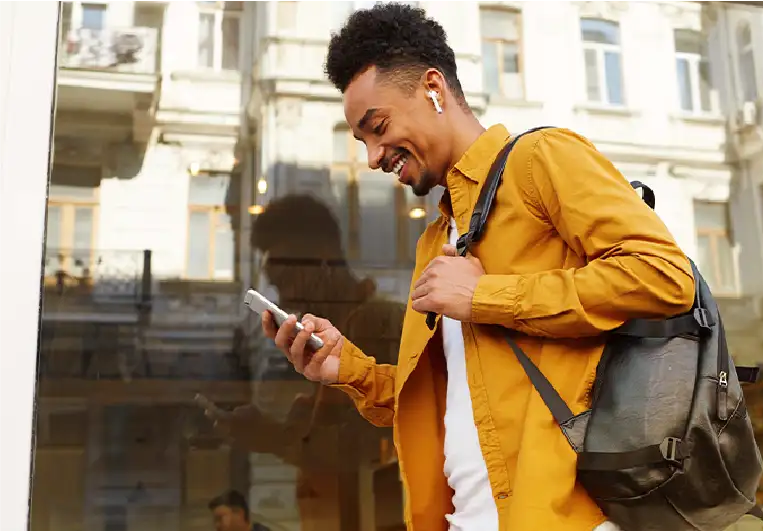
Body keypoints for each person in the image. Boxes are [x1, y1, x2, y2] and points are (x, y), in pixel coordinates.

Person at [263, 4, 696, 531]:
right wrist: (346, 371)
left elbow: (666, 277)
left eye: (377, 128)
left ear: (432, 88)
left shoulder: (541, 159)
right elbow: (457, 404)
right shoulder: (438, 238)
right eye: (362, 142)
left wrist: (487, 297)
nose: (373, 157)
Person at [205, 194, 406, 531]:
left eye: (284, 280)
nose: (283, 298)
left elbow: (366, 450)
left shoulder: (379, 324)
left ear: (322, 263)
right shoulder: (329, 340)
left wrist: (272, 435)